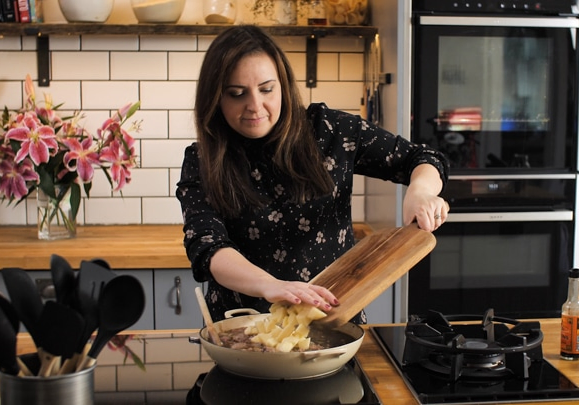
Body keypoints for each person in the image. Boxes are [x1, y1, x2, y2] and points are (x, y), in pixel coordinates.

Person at [176, 25, 449, 323]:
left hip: (333, 323)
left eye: (267, 89)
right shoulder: (202, 159)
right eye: (237, 94)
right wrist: (273, 287)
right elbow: (208, 247)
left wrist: (421, 191)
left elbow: (422, 158)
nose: (255, 106)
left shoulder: (330, 130)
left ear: (283, 85)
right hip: (242, 327)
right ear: (216, 99)